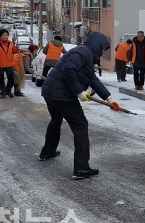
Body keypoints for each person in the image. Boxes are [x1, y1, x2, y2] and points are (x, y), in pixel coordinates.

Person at [40, 32, 120, 180]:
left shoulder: (84, 53)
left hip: (50, 92)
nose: (103, 51)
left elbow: (92, 79)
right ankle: (81, 168)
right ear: (97, 45)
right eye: (103, 48)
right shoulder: (84, 52)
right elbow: (69, 69)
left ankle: (47, 152)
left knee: (56, 120)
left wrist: (109, 98)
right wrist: (78, 91)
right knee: (81, 125)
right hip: (62, 94)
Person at [0, 28, 20, 99]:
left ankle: (8, 90)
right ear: (0, 36)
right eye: (4, 35)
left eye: (6, 35)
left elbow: (13, 51)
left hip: (9, 64)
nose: (5, 36)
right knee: (1, 80)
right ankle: (3, 93)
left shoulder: (10, 43)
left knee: (11, 79)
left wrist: (17, 49)